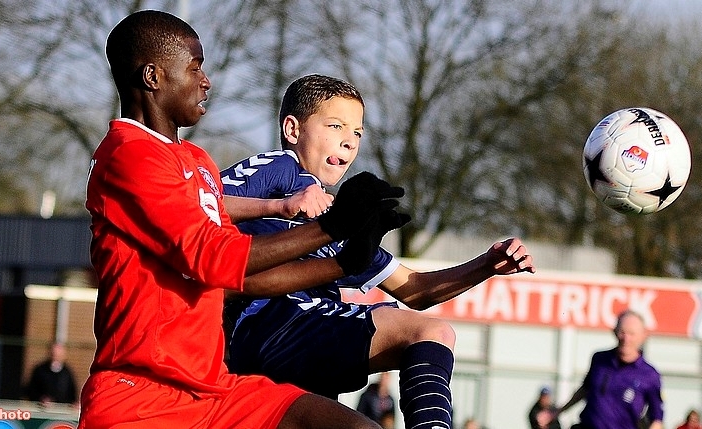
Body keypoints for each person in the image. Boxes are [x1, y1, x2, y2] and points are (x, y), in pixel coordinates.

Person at [79, 10, 408, 429]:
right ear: (153, 76)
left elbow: (240, 280)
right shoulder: (129, 154)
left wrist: (344, 263)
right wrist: (330, 227)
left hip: (213, 390)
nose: (206, 81)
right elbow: (213, 257)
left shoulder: (196, 160)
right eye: (194, 67)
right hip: (141, 397)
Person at [220, 73, 535, 429]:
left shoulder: (339, 217)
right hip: (268, 324)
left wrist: (486, 265)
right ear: (293, 130)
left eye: (357, 133)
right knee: (430, 332)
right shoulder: (282, 169)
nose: (349, 141)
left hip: (299, 356)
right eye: (336, 126)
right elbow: (195, 202)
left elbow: (415, 290)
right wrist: (280, 206)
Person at [548, 309, 663, 429]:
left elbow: (657, 419)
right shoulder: (599, 360)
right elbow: (585, 389)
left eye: (631, 334)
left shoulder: (649, 375)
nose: (626, 338)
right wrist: (558, 412)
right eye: (622, 332)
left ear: (643, 336)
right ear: (615, 332)